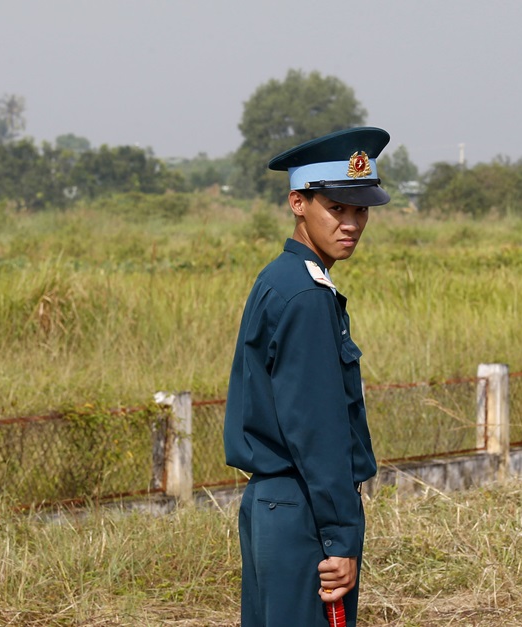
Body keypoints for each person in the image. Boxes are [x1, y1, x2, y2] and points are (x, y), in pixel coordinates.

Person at [224, 127, 391, 626]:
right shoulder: (307, 296)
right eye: (335, 208)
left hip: (274, 505)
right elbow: (316, 430)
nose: (351, 223)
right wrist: (340, 537)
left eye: (360, 210)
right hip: (303, 513)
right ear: (298, 202)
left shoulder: (282, 277)